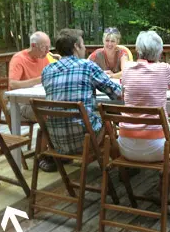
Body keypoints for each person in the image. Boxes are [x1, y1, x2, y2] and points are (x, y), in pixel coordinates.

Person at [118, 31, 170, 213]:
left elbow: (122, 95)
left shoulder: (126, 68)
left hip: (125, 145)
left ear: (137, 50)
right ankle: (167, 194)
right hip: (157, 147)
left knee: (168, 139)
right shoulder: (164, 69)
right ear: (159, 52)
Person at [41, 28, 122, 163]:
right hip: (84, 140)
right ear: (76, 47)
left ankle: (58, 159)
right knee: (108, 123)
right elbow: (117, 94)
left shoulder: (47, 71)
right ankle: (121, 169)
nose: (84, 48)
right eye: (83, 44)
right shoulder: (87, 66)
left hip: (57, 141)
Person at [9, 31, 51, 121]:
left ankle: (44, 134)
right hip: (21, 104)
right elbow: (12, 84)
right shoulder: (19, 59)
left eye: (49, 47)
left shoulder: (44, 57)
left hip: (40, 100)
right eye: (44, 47)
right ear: (33, 45)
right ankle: (45, 134)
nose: (47, 51)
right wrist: (38, 80)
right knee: (52, 113)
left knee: (60, 109)